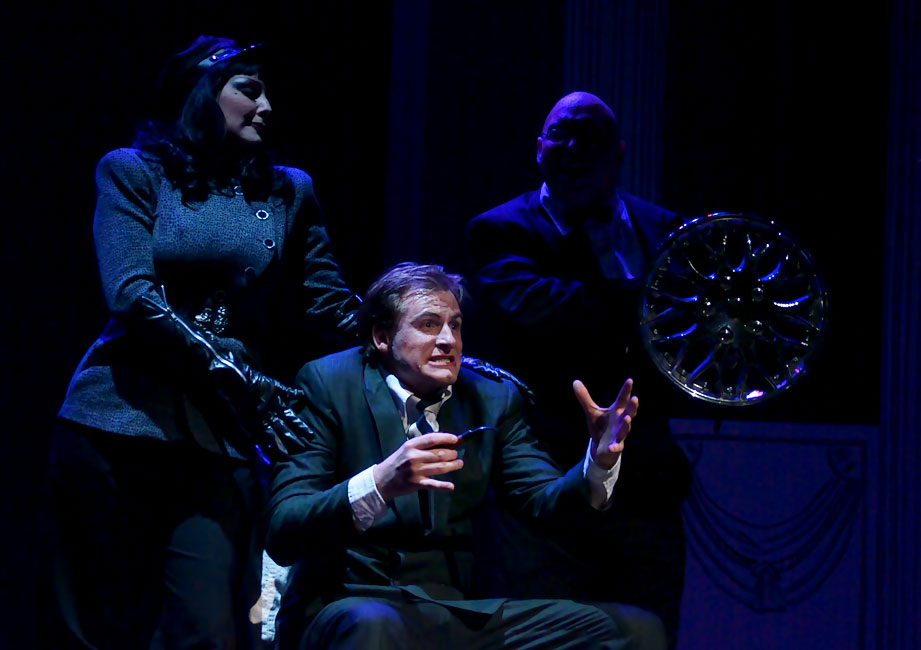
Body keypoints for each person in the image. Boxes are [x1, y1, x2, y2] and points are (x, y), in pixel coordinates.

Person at [44, 35, 360, 649]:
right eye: (249, 89)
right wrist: (236, 373)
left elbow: (328, 301)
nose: (267, 106)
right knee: (95, 627)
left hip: (218, 434)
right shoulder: (133, 172)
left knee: (209, 628)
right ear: (201, 93)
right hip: (116, 421)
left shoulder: (287, 190)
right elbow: (132, 294)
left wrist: (410, 329)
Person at [264, 262, 667, 650]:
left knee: (633, 631)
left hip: (454, 611)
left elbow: (544, 503)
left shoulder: (492, 398)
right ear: (382, 337)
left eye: (455, 326)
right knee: (373, 625)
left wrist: (597, 462)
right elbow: (285, 528)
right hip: (350, 600)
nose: (448, 341)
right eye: (428, 325)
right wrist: (380, 483)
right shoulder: (328, 383)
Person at [465, 91, 691, 644]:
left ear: (618, 154)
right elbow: (536, 307)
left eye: (587, 136)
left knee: (647, 630)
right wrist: (650, 301)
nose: (571, 147)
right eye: (559, 134)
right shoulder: (499, 229)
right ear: (538, 148)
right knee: (549, 630)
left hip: (646, 479)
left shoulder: (664, 228)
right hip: (546, 471)